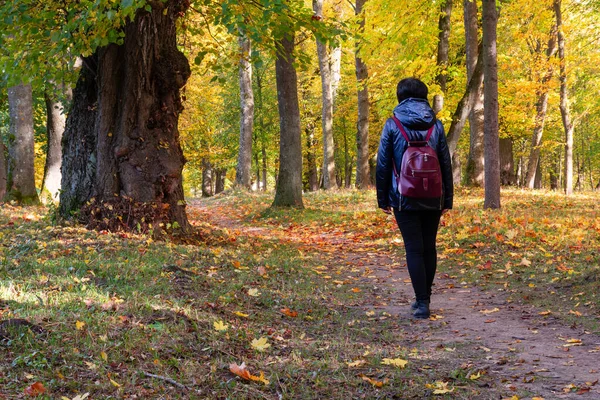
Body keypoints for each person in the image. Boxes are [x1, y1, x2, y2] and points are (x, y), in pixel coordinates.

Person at [375, 78, 453, 319]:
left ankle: (421, 303)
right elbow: (445, 163)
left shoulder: (392, 124)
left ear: (401, 97)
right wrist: (447, 199)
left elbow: (383, 164)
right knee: (429, 246)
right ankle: (425, 298)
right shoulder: (436, 125)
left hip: (402, 197)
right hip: (433, 195)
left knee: (414, 248)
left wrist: (382, 198)